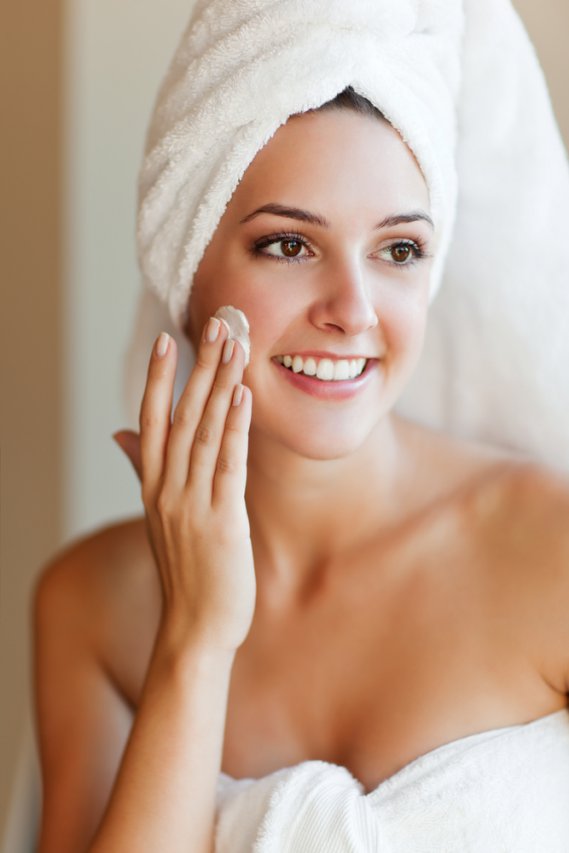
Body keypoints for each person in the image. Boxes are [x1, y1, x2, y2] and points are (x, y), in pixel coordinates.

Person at [33, 2, 569, 852]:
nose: (353, 311)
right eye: (288, 244)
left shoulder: (549, 551)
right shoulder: (93, 607)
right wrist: (194, 643)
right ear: (185, 269)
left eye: (397, 250)